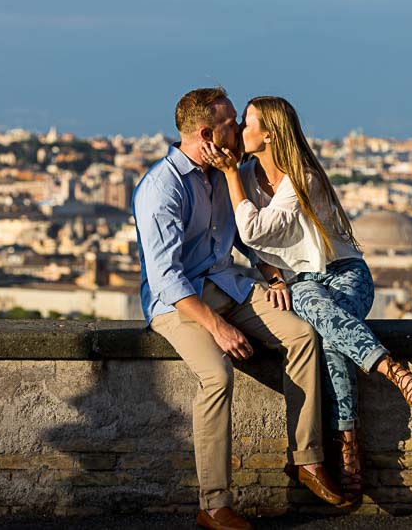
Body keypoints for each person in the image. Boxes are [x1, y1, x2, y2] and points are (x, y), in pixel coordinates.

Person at [132, 87, 345, 530]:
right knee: (216, 375)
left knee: (302, 335)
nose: (240, 131)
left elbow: (247, 240)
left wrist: (269, 274)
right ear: (208, 133)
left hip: (228, 285)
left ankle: (306, 458)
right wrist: (218, 328)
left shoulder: (229, 175)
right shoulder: (161, 187)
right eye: (233, 124)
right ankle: (214, 504)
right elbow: (166, 278)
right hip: (180, 303)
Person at [201, 96, 412, 503]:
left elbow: (254, 230)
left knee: (323, 322)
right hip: (302, 282)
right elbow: (248, 239)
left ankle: (347, 447)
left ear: (269, 134)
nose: (238, 131)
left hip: (346, 275)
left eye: (247, 124)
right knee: (325, 333)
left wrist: (230, 174)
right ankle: (386, 373)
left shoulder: (301, 178)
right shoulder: (247, 177)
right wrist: (272, 275)